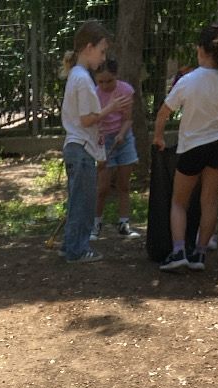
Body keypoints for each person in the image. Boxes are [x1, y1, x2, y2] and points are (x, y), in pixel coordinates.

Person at [153, 24, 218, 272]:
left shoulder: (188, 80)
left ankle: (178, 251)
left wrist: (159, 137)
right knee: (210, 200)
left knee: (179, 202)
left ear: (201, 50)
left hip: (192, 148)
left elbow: (164, 112)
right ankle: (200, 253)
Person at [60, 21, 129, 263]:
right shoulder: (82, 79)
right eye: (101, 51)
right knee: (83, 202)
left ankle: (70, 245)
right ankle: (77, 250)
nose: (103, 57)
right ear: (89, 48)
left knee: (77, 200)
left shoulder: (77, 75)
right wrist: (110, 108)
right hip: (81, 149)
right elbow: (87, 118)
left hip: (77, 147)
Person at [92, 58, 138, 239]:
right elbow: (93, 121)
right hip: (103, 140)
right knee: (102, 187)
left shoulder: (125, 90)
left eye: (109, 81)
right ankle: (95, 224)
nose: (105, 85)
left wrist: (121, 134)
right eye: (101, 81)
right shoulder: (93, 94)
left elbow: (128, 118)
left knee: (123, 185)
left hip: (123, 138)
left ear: (116, 76)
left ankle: (123, 223)